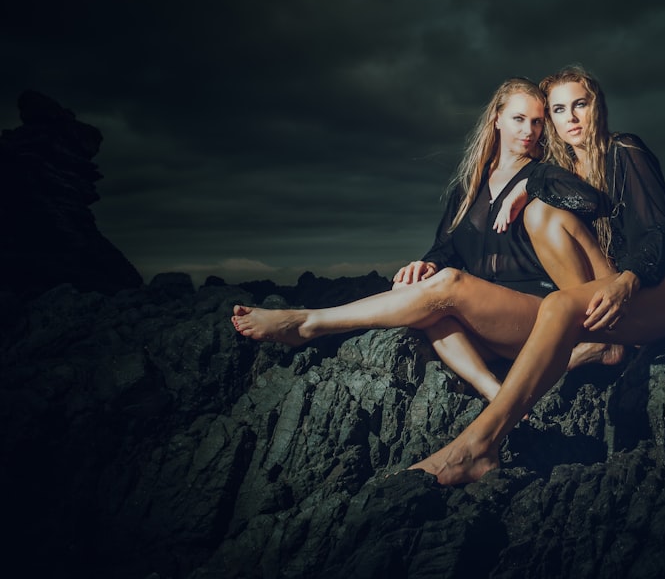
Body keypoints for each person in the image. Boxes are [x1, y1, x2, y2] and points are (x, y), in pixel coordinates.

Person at [410, 65, 665, 484]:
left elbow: (660, 232)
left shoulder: (624, 150)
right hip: (615, 289)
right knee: (542, 232)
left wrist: (627, 281)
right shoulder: (560, 171)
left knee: (556, 305)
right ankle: (597, 345)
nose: (570, 118)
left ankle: (478, 446)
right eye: (558, 110)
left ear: (597, 107)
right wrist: (529, 188)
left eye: (580, 105)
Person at [232, 77, 613, 402]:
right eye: (517, 119)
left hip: (538, 314)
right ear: (496, 119)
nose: (528, 131)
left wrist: (531, 184)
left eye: (536, 122)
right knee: (431, 304)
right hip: (491, 326)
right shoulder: (469, 187)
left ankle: (308, 323)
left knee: (449, 285)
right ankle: (495, 392)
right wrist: (427, 263)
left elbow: (590, 200)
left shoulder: (548, 174)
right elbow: (446, 249)